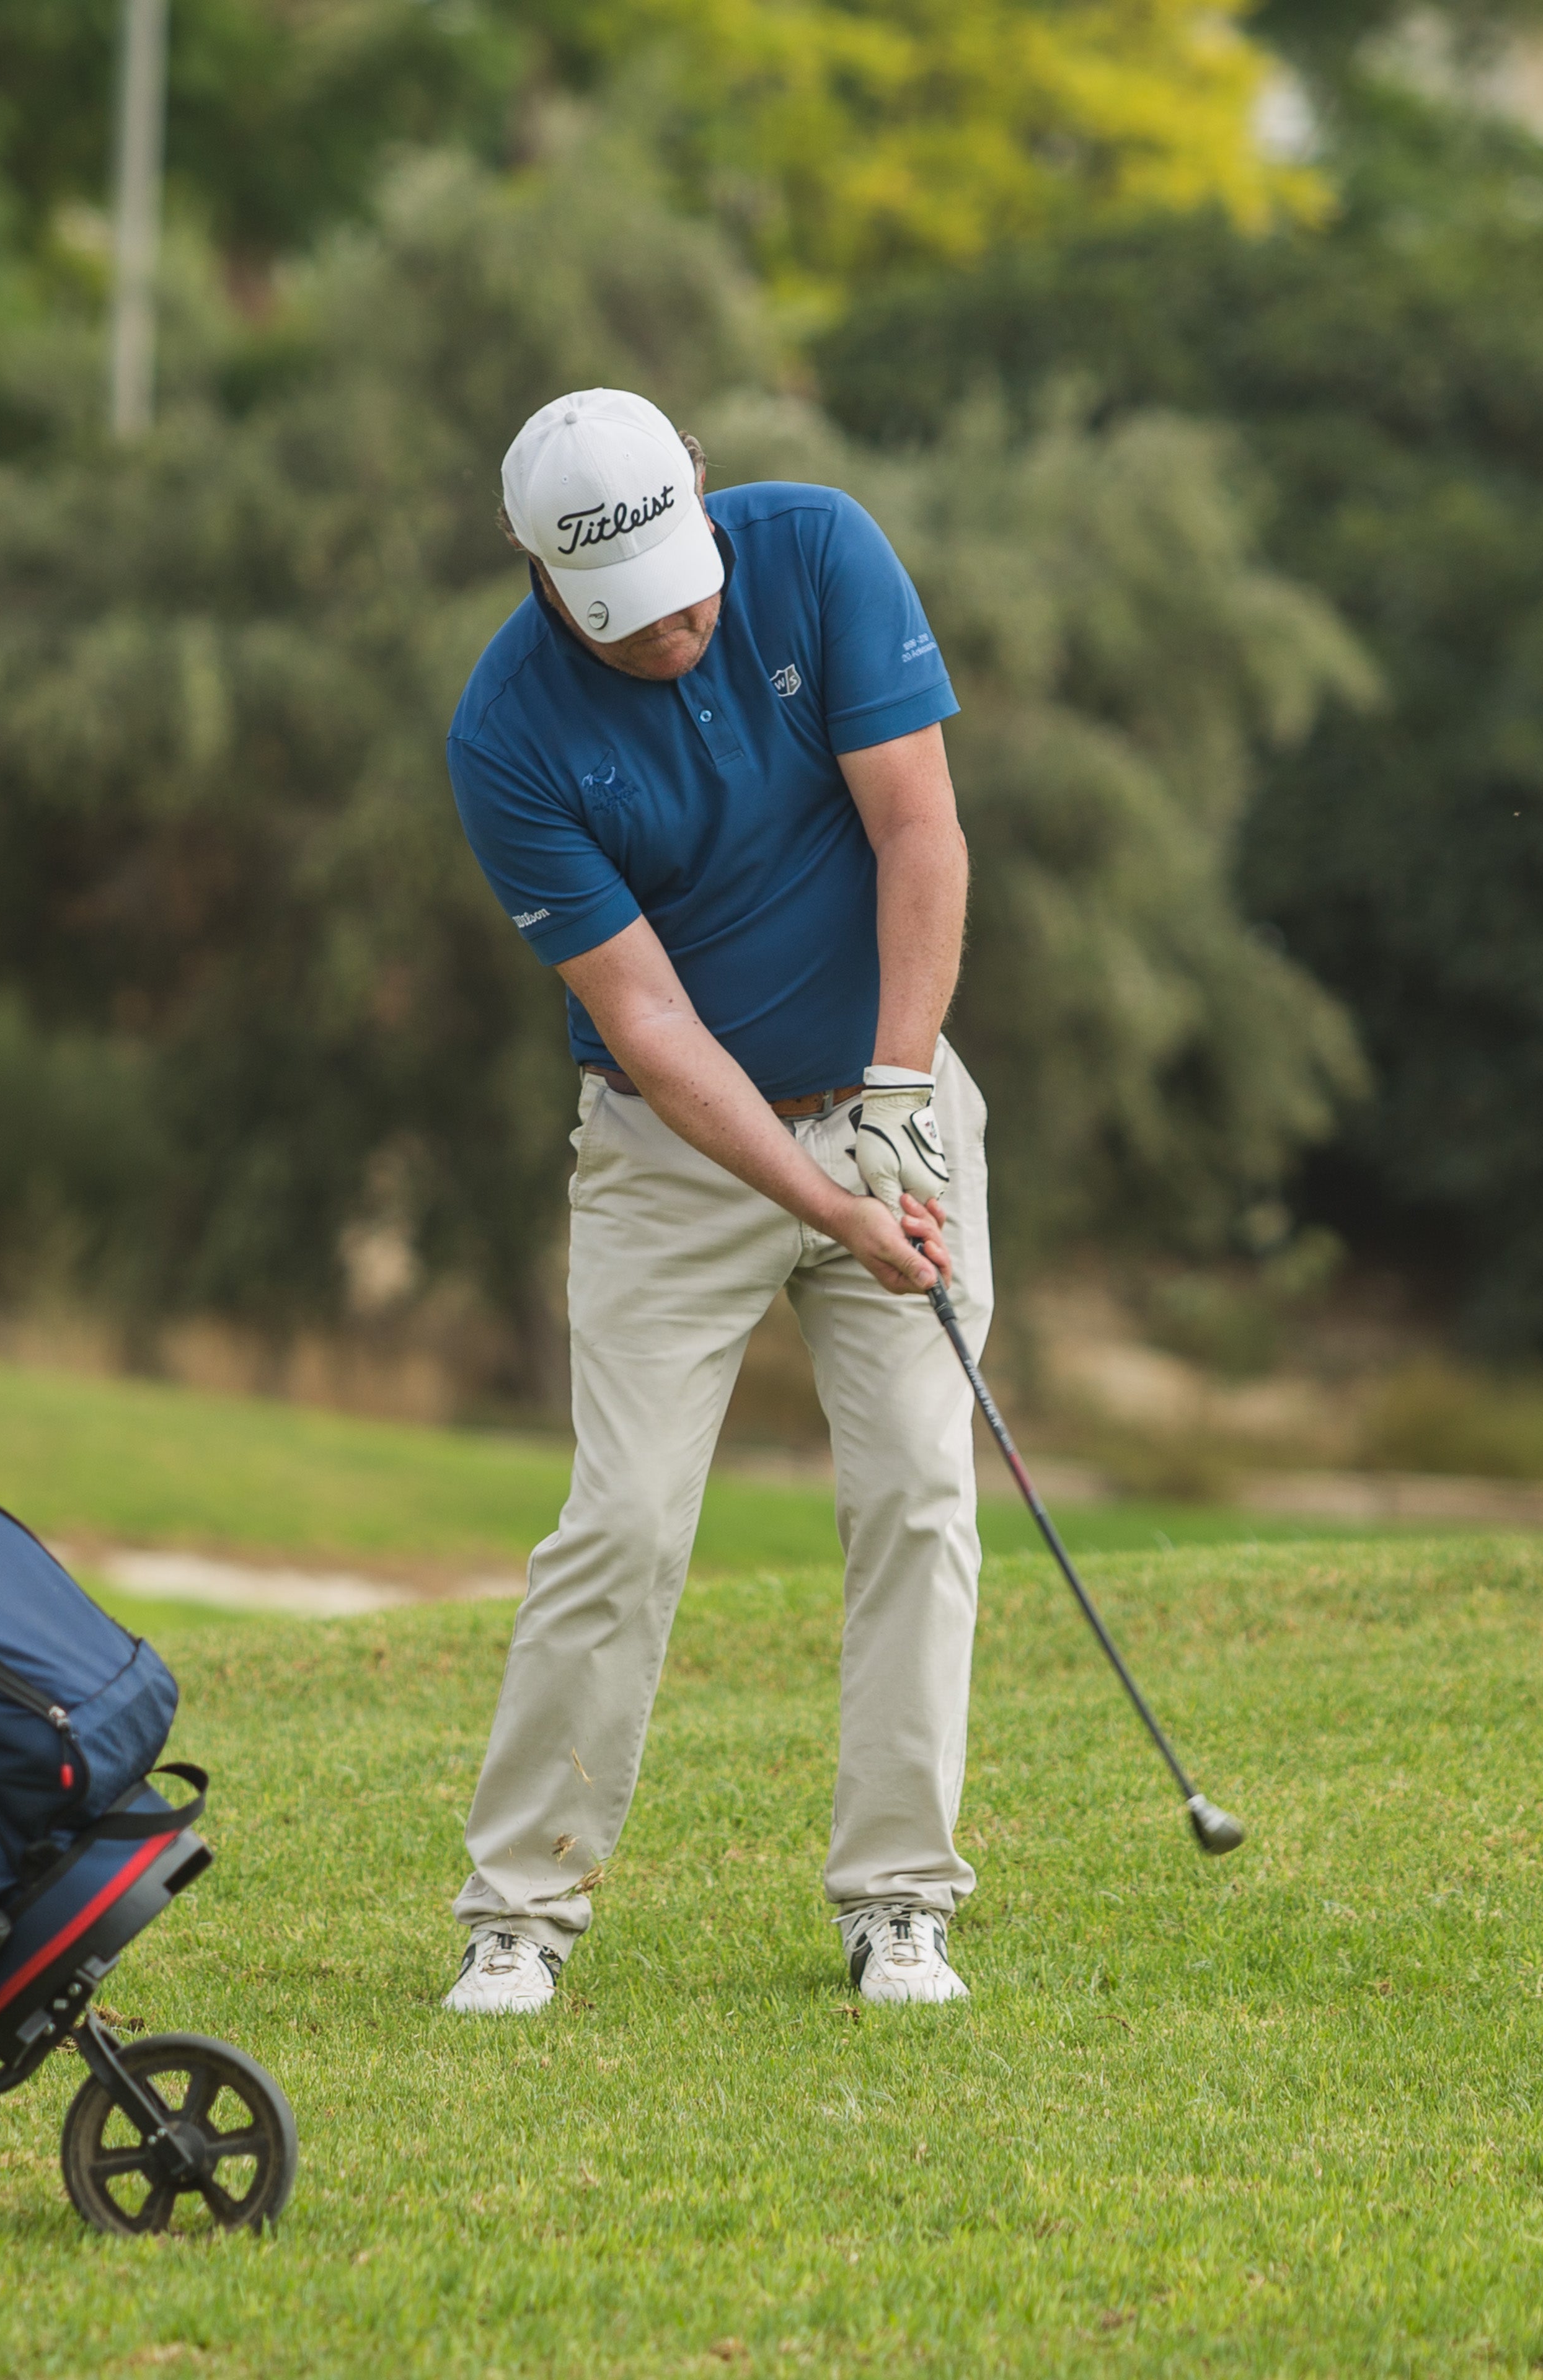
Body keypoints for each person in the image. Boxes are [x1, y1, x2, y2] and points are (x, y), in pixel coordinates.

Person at [440, 386, 991, 2013]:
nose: (679, 629)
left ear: (704, 492)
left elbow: (920, 831)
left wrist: (896, 1103)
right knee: (620, 1521)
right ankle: (519, 1912)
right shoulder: (508, 733)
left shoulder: (815, 551)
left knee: (915, 1495)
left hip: (894, 1098)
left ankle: (901, 1902)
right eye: (631, 620)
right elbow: (652, 1020)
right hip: (672, 1163)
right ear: (546, 581)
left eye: (691, 591)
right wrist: (827, 1207)